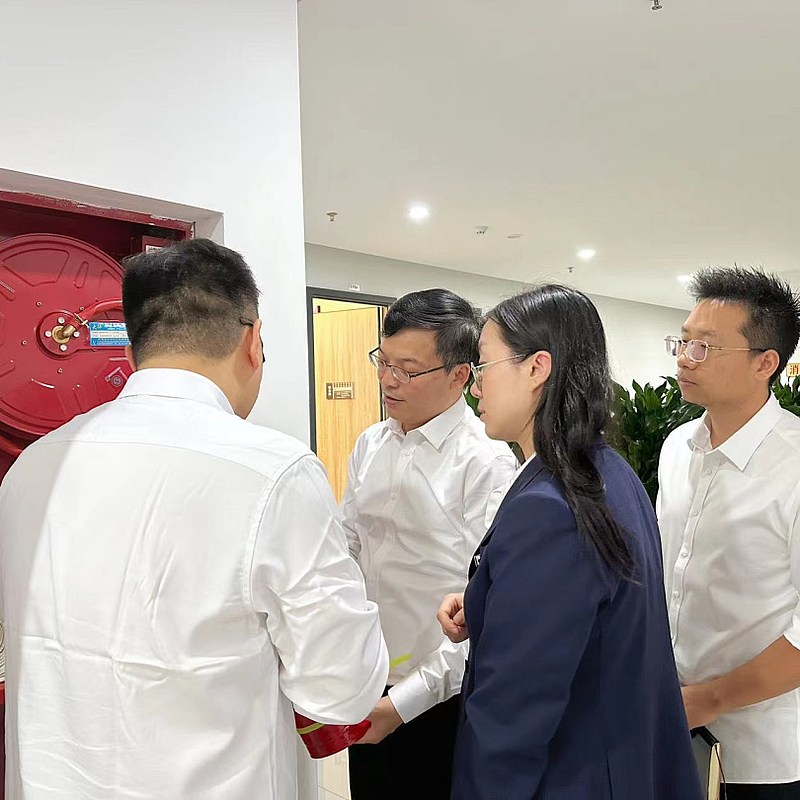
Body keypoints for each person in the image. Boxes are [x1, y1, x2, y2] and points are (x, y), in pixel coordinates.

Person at [0, 239, 388, 799]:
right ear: (253, 341)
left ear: (131, 349)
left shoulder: (32, 466)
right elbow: (340, 687)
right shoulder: (274, 472)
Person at [438, 285, 703, 799]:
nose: (475, 387)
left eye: (484, 366)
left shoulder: (549, 506)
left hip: (568, 775)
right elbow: (591, 615)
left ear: (537, 368)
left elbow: (513, 713)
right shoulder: (609, 472)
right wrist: (489, 601)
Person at [343, 289, 518, 799]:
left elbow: (488, 609)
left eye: (408, 370)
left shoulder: (485, 462)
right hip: (368, 682)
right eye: (383, 361)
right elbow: (347, 549)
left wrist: (402, 705)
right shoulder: (371, 444)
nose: (388, 380)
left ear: (460, 374)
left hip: (441, 700)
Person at [658, 267, 800, 799]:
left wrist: (713, 698)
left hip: (766, 753)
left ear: (765, 363)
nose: (684, 358)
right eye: (683, 341)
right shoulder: (677, 447)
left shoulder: (794, 464)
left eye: (705, 347)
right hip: (674, 727)